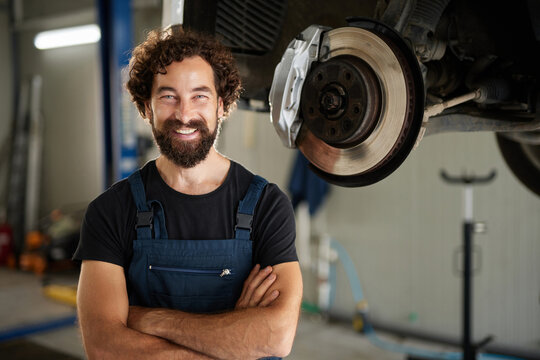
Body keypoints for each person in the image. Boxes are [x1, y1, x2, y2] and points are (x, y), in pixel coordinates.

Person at [73, 27, 302, 360]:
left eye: (200, 96)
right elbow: (105, 347)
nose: (184, 114)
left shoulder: (267, 206)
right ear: (145, 108)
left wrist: (151, 319)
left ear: (222, 105)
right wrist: (233, 339)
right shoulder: (110, 211)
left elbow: (276, 338)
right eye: (168, 96)